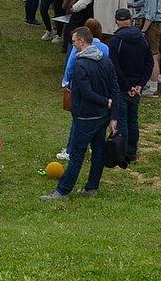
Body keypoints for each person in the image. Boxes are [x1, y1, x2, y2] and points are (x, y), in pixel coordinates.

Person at [42, 27, 121, 200]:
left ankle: (62, 190)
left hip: (85, 117)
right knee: (98, 151)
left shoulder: (80, 64)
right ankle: (92, 187)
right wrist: (114, 115)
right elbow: (115, 88)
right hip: (103, 116)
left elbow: (85, 92)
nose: (73, 45)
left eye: (74, 41)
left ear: (82, 41)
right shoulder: (105, 61)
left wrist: (104, 101)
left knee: (77, 154)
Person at [108, 9, 152, 162]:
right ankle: (132, 151)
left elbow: (115, 67)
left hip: (122, 88)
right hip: (136, 87)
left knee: (122, 121)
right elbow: (149, 63)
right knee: (133, 119)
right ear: (131, 19)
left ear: (116, 21)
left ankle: (122, 152)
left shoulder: (116, 41)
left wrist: (127, 87)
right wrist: (140, 84)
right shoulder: (143, 39)